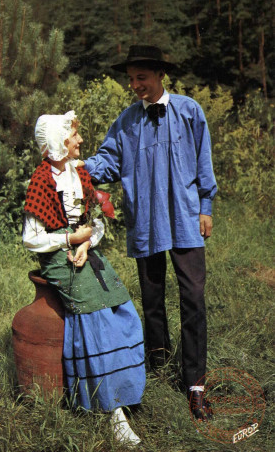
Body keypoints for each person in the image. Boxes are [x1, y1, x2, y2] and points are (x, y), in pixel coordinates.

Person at [79, 45, 217, 421]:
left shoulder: (190, 111)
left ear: (159, 75)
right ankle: (157, 369)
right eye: (131, 78)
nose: (135, 84)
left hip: (186, 220)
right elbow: (106, 161)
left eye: (141, 77)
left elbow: (203, 160)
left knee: (193, 299)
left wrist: (206, 206)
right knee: (152, 301)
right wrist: (76, 166)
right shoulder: (126, 121)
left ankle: (195, 384)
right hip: (146, 223)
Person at [22, 111, 146, 447]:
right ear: (60, 143)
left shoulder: (79, 174)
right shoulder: (42, 180)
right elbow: (31, 238)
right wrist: (68, 241)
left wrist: (88, 242)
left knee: (120, 303)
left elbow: (95, 222)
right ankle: (110, 411)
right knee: (94, 312)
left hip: (81, 249)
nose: (79, 141)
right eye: (74, 136)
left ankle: (126, 392)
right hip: (56, 259)